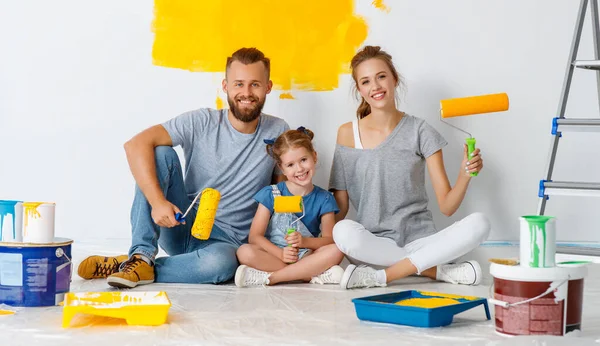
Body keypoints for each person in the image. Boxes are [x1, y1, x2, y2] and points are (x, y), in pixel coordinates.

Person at [77, 47, 290, 288]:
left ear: (268, 87)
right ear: (225, 86)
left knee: (222, 265)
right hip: (180, 224)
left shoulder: (278, 131)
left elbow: (281, 191)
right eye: (239, 84)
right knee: (161, 153)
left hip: (227, 244)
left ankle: (136, 266)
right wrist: (158, 202)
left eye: (255, 85)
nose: (246, 93)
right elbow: (135, 145)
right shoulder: (201, 121)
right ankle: (141, 253)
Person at [329, 45, 491, 289]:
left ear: (394, 78)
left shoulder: (420, 130)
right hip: (375, 245)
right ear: (359, 89)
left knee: (481, 223)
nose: (375, 87)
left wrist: (464, 175)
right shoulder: (346, 134)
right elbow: (339, 210)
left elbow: (447, 206)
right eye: (366, 81)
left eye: (381, 76)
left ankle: (384, 276)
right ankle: (437, 271)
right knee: (342, 231)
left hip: (423, 242)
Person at [234, 127, 345, 287]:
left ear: (314, 157)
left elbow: (328, 240)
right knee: (244, 251)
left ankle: (272, 278)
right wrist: (280, 253)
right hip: (275, 255)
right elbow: (255, 237)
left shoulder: (324, 198)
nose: (299, 169)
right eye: (290, 164)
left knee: (337, 249)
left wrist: (304, 242)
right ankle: (308, 274)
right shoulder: (271, 193)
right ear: (282, 168)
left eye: (303, 160)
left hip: (307, 255)